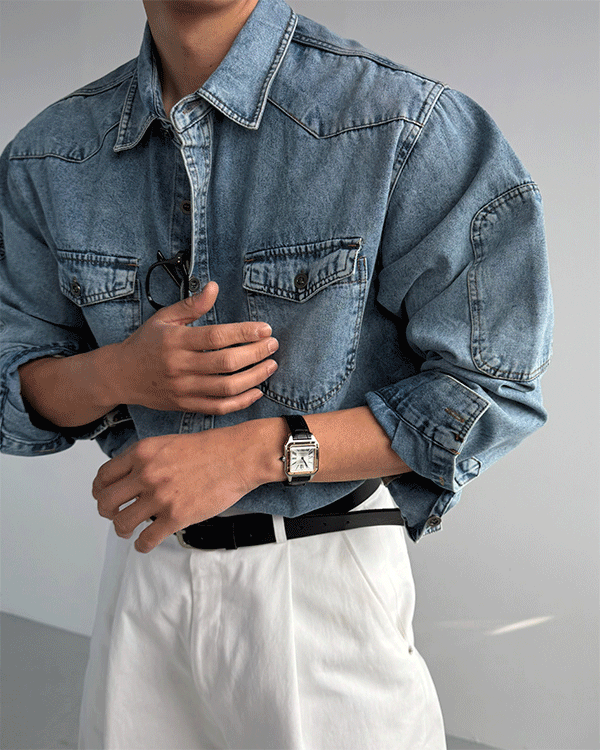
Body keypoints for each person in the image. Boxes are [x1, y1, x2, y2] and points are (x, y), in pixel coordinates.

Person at [0, 0, 553, 748]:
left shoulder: (405, 126)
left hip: (322, 581)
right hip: (144, 573)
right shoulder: (49, 157)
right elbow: (11, 384)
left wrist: (254, 453)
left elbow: (491, 392)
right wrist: (117, 375)